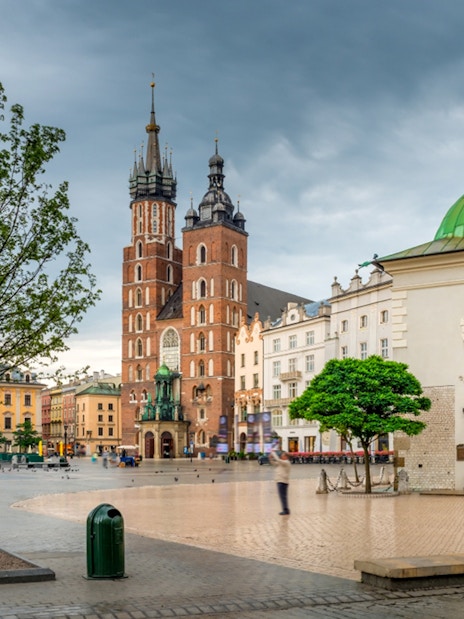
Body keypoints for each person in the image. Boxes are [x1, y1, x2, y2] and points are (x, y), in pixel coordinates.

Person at [270, 450, 291, 515]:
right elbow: (274, 463)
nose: (281, 455)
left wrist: (273, 453)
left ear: (285, 457)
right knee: (282, 496)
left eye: (283, 455)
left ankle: (285, 510)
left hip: (283, 481)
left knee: (283, 496)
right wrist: (270, 458)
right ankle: (285, 509)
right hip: (280, 481)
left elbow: (278, 460)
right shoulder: (282, 463)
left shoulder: (286, 462)